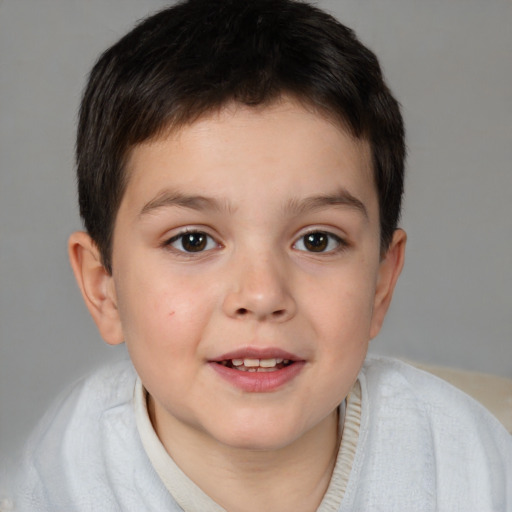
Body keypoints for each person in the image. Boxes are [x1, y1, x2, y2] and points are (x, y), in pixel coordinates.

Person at [11, 0, 512, 510]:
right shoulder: (59, 482)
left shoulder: (465, 467)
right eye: (193, 240)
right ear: (104, 289)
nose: (262, 294)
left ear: (381, 282)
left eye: (317, 240)